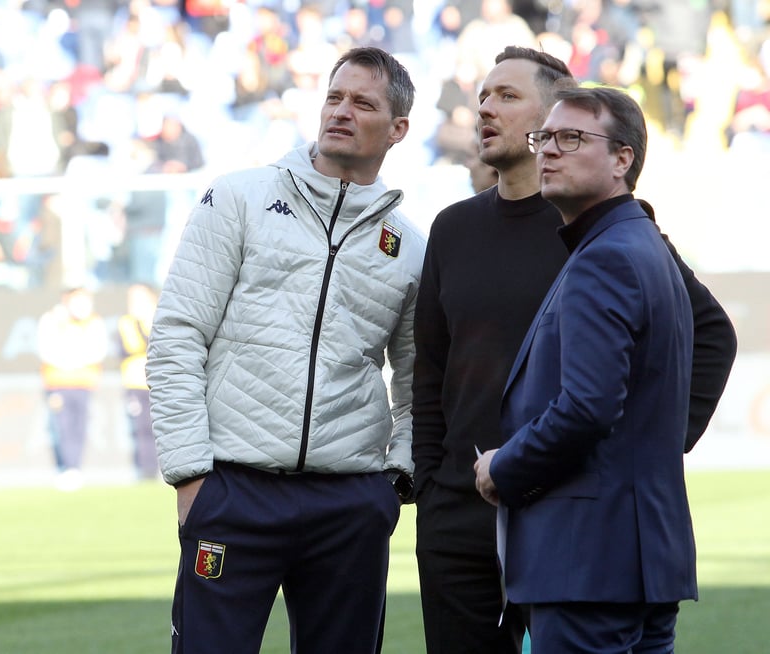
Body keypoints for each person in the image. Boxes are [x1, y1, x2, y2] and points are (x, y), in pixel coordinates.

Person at [411, 46, 737, 654]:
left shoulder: (603, 234)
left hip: (565, 506)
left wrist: (639, 452)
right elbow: (428, 369)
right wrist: (432, 484)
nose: (486, 108)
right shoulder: (455, 228)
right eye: (483, 96)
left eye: (508, 96)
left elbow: (710, 336)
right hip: (464, 506)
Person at [146, 46, 423, 654]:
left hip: (351, 502)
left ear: (397, 128)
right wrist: (191, 476)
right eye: (334, 97)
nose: (341, 112)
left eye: (363, 103)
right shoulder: (237, 197)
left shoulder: (408, 246)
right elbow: (177, 336)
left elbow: (417, 383)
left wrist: (395, 479)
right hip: (232, 490)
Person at [473, 84, 712, 653]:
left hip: (586, 564)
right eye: (545, 137)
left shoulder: (605, 256)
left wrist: (503, 467)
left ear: (622, 159)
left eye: (572, 138)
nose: (549, 150)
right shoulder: (640, 243)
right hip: (640, 559)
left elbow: (586, 408)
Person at [36, 286, 108, 491]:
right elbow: (45, 349)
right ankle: (66, 467)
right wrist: (67, 361)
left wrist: (76, 361)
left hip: (84, 382)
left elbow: (98, 350)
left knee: (80, 426)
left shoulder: (94, 321)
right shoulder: (51, 319)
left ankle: (75, 467)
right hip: (58, 382)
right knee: (62, 426)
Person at [117, 283, 158, 480]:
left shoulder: (161, 318)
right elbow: (134, 346)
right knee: (141, 428)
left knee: (162, 428)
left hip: (160, 381)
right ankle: (146, 471)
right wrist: (140, 321)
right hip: (135, 382)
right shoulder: (127, 322)